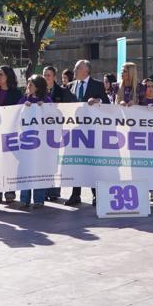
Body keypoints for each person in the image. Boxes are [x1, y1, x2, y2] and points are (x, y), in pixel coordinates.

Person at [64, 59, 108, 206]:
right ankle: (75, 195)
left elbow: (107, 104)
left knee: (91, 162)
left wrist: (97, 101)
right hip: (75, 131)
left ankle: (96, 194)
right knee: (77, 162)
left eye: (77, 68)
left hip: (91, 131)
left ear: (86, 70)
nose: (74, 71)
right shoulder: (70, 86)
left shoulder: (97, 85)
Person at [0, 66, 23, 204]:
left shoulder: (16, 93)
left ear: (8, 76)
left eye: (1, 74)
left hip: (11, 134)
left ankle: (10, 191)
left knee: (10, 162)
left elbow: (19, 112)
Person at [18, 76, 53, 210]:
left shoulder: (46, 100)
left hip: (42, 143)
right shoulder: (24, 99)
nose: (28, 86)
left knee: (39, 169)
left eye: (31, 84)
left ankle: (38, 199)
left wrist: (44, 108)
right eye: (28, 84)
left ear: (38, 87)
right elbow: (14, 114)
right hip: (26, 142)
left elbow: (53, 116)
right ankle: (24, 199)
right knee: (26, 169)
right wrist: (23, 107)